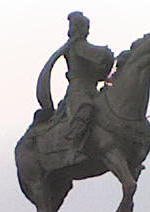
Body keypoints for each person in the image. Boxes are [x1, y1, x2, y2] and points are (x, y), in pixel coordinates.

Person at [36, 12, 114, 158]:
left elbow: (99, 67)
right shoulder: (76, 46)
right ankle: (75, 144)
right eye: (84, 27)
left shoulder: (83, 46)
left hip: (92, 89)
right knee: (84, 108)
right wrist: (106, 53)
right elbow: (97, 55)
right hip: (78, 91)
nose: (87, 31)